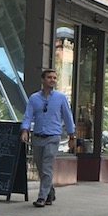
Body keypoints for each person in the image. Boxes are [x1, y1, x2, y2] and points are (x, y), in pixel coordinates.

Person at [20, 68, 75, 208]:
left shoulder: (60, 98)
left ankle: (41, 197)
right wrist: (25, 130)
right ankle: (50, 191)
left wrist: (71, 135)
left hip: (53, 136)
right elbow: (27, 116)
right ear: (42, 80)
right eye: (49, 77)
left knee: (46, 167)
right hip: (37, 136)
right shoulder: (34, 98)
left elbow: (68, 117)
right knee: (40, 167)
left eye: (54, 78)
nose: (52, 80)